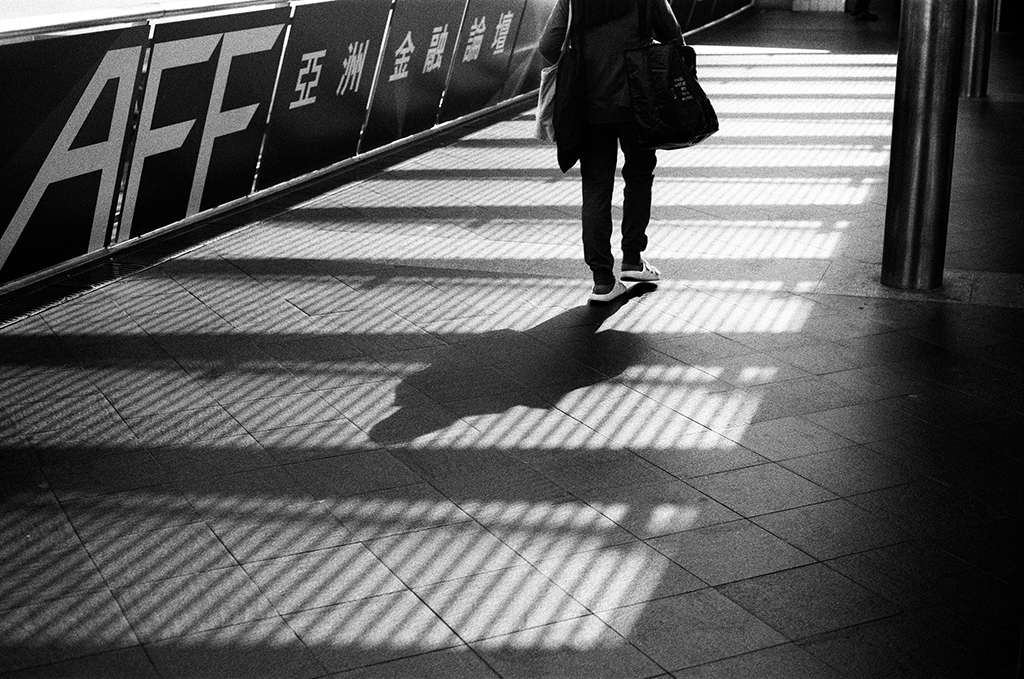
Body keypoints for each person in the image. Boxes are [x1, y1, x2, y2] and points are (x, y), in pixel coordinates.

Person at [539, 0, 685, 302]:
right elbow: (673, 37)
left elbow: (548, 45)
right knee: (640, 176)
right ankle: (632, 259)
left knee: (595, 187)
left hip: (589, 105)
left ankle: (602, 280)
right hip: (640, 103)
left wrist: (578, 63)